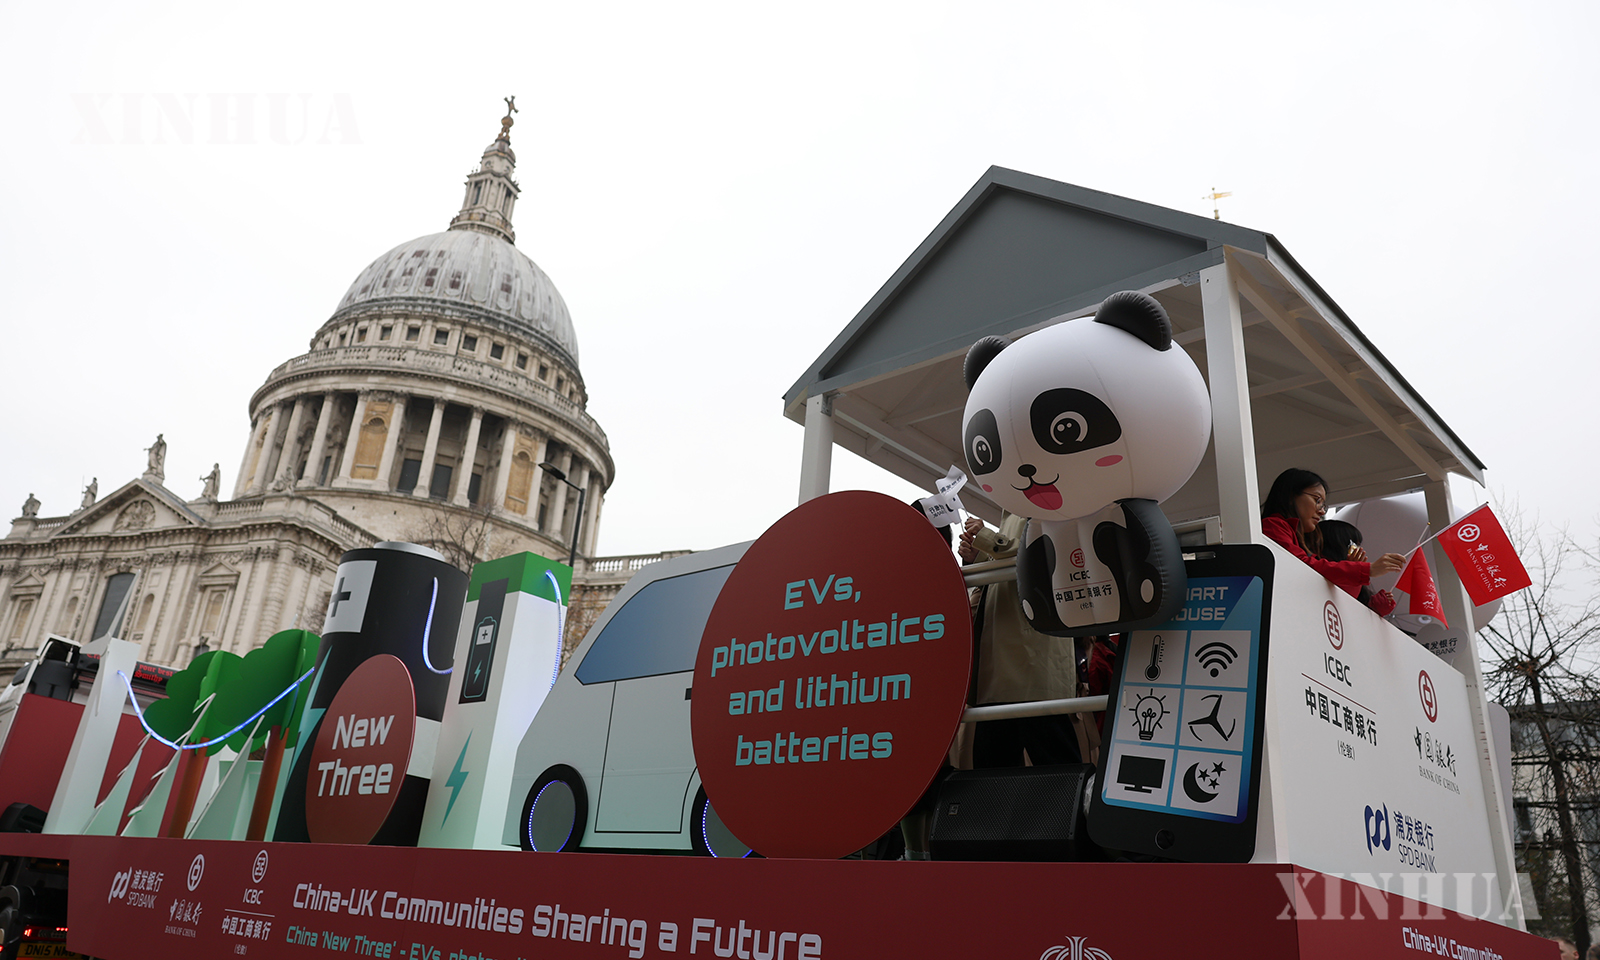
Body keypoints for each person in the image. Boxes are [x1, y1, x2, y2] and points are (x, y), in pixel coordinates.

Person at [959, 514, 1081, 769]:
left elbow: (1040, 551)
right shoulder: (1011, 512)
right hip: (1007, 668)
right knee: (999, 768)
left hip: (1030, 665)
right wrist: (979, 556)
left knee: (1053, 766)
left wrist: (986, 538)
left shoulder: (1044, 505)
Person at [1260, 468, 1405, 594]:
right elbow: (1304, 566)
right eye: (1317, 500)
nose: (1322, 511)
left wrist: (1355, 571)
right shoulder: (1273, 525)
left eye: (1323, 505)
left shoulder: (1299, 539)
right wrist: (1367, 570)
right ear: (1291, 496)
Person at [1316, 519, 1397, 616]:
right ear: (1336, 545)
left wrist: (1376, 605)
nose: (1358, 549)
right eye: (1353, 544)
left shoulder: (1356, 578)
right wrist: (1352, 571)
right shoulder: (1320, 568)